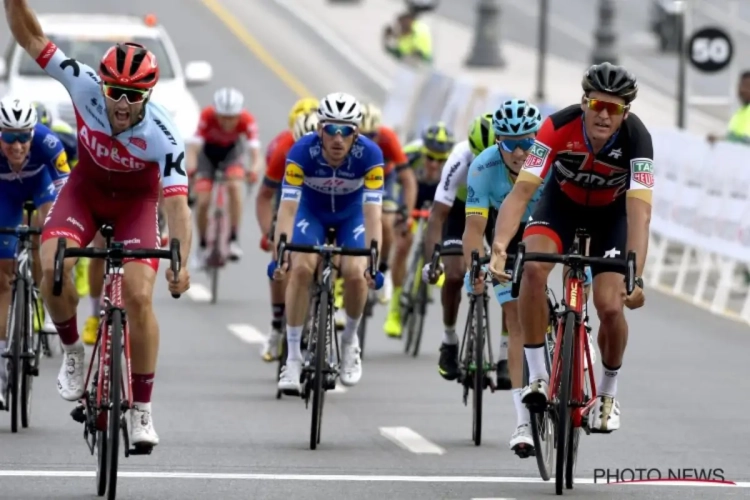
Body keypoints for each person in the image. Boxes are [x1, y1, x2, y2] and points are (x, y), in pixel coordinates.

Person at [5, 0, 192, 447]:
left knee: (140, 298)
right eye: (115, 91)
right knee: (52, 266)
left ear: (149, 96)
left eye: (134, 95)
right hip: (84, 193)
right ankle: (71, 350)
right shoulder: (82, 83)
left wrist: (180, 263)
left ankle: (143, 410)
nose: (122, 103)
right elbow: (32, 38)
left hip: (135, 205)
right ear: (101, 83)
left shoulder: (163, 136)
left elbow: (177, 207)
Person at [489, 63, 652, 433]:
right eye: (597, 104)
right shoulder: (556, 127)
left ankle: (607, 394)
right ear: (584, 103)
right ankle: (539, 376)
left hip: (611, 217)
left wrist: (635, 273)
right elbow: (523, 192)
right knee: (531, 266)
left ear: (626, 112)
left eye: (615, 108)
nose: (604, 115)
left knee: (611, 305)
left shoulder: (637, 139)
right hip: (559, 207)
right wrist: (500, 245)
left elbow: (640, 213)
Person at [272, 92, 383, 394]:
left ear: (356, 134)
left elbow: (374, 214)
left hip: (352, 217)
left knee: (355, 271)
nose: (337, 138)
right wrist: (279, 253)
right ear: (319, 129)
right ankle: (293, 357)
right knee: (301, 268)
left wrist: (375, 261)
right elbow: (288, 208)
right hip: (312, 213)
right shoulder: (301, 151)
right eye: (331, 129)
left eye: (346, 130)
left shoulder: (370, 155)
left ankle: (349, 343)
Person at [421, 112, 511, 383]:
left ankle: (506, 355)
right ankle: (449, 340)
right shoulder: (459, 158)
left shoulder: (511, 154)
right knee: (455, 274)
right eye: (478, 157)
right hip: (462, 209)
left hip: (498, 209)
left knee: (511, 276)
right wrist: (431, 261)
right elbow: (437, 216)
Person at [0, 96, 69, 409]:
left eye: (23, 137)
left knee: (49, 231)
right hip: (4, 195)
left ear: (33, 134)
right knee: (2, 280)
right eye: (9, 137)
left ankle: (44, 295)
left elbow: (67, 196)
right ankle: (1, 372)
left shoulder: (49, 143)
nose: (17, 146)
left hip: (40, 186)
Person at [335, 102, 415, 309]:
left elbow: (407, 179)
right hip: (353, 181)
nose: (367, 140)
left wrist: (406, 211)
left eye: (372, 136)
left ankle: (384, 268)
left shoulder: (388, 138)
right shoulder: (342, 141)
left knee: (386, 222)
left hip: (382, 181)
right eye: (364, 135)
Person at [257, 109, 319, 362]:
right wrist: (267, 233)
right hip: (288, 202)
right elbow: (265, 197)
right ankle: (276, 324)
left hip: (321, 206)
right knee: (279, 256)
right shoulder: (284, 150)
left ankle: (325, 308)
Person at [383, 122, 454, 338]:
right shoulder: (409, 155)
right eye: (430, 158)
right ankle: (394, 309)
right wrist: (399, 212)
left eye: (440, 160)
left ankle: (434, 263)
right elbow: (394, 185)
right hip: (411, 195)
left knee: (440, 228)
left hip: (437, 196)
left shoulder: (455, 161)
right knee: (403, 244)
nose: (434, 164)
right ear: (423, 152)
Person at [188, 87, 260, 265]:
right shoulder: (207, 116)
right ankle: (203, 245)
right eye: (223, 117)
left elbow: (256, 155)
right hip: (207, 155)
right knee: (203, 201)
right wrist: (191, 169)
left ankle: (233, 239)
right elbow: (193, 148)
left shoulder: (247, 120)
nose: (227, 123)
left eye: (232, 117)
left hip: (231, 154)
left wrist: (253, 170)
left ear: (239, 114)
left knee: (235, 187)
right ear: (216, 112)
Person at [708, 70, 750, 144]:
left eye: (748, 87)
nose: (742, 90)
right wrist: (718, 140)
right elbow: (733, 138)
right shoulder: (740, 112)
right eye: (741, 86)